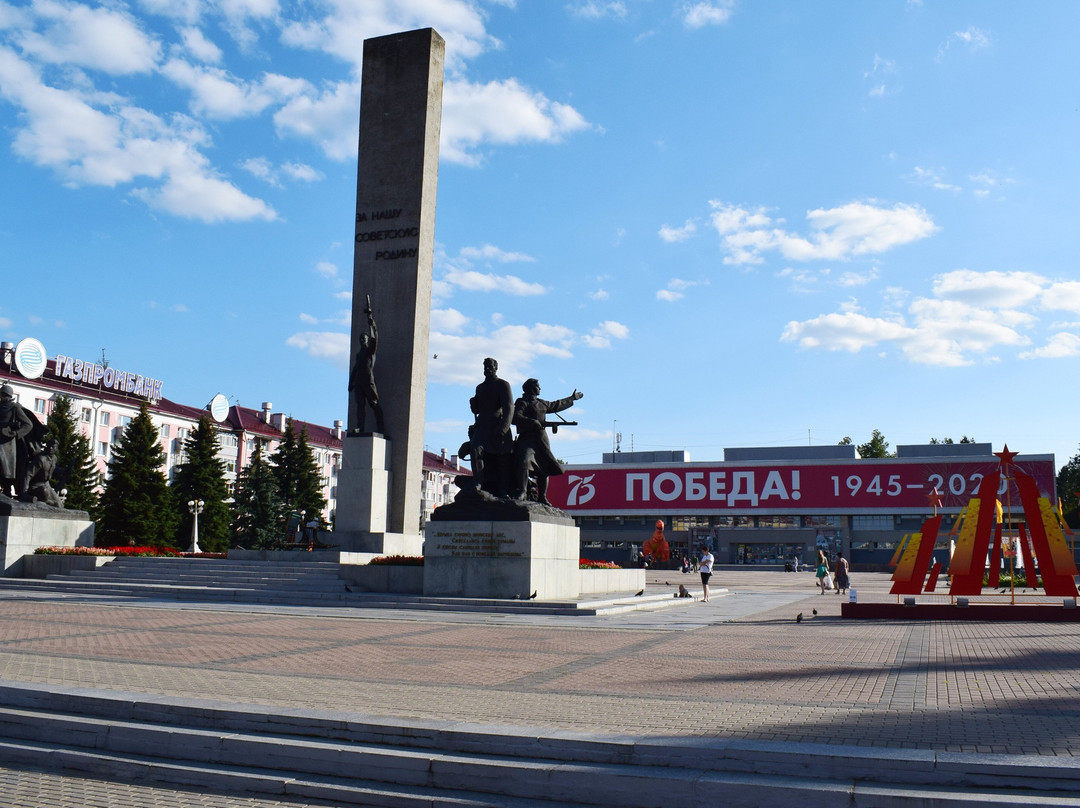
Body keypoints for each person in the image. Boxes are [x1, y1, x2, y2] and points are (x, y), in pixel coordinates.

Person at [510, 378, 582, 505]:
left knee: (544, 467)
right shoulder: (522, 402)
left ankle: (542, 496)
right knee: (524, 461)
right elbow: (515, 417)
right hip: (527, 438)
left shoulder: (542, 403)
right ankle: (522, 492)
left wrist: (572, 398)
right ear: (531, 388)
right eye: (538, 386)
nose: (540, 388)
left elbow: (556, 405)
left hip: (541, 438)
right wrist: (531, 422)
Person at [469, 358, 515, 497]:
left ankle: (503, 489)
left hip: (498, 425)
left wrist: (504, 428)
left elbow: (509, 408)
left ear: (496, 368)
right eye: (485, 366)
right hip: (482, 426)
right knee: (475, 449)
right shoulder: (480, 387)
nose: (487, 369)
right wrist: (473, 404)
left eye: (490, 366)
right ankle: (478, 482)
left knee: (502, 458)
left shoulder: (502, 384)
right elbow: (477, 410)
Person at [348, 299, 385, 435]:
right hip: (359, 382)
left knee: (374, 404)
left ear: (368, 340)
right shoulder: (359, 354)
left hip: (369, 382)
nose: (362, 340)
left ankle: (380, 426)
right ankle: (360, 427)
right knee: (360, 406)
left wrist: (371, 320)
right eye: (361, 339)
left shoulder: (370, 351)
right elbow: (355, 369)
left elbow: (375, 338)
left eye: (364, 339)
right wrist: (351, 383)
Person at [0, 384, 34, 498]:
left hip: (8, 443)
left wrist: (16, 433)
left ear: (8, 396)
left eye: (2, 395)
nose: (1, 397)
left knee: (6, 469)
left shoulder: (15, 408)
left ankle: (7, 491)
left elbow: (28, 424)